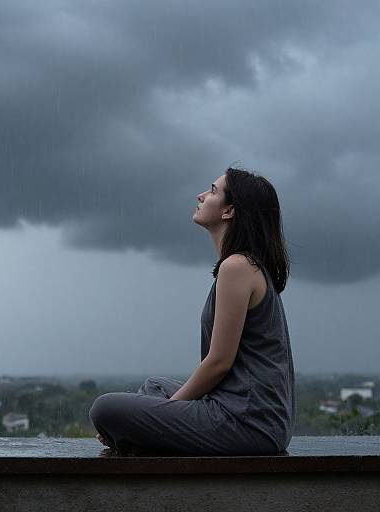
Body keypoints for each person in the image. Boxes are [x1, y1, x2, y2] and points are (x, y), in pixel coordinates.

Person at [89, 165, 296, 456]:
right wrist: (161, 412)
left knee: (105, 408)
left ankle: (137, 438)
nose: (200, 196)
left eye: (212, 191)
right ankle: (140, 437)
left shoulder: (237, 267)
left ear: (229, 211)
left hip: (248, 424)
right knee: (155, 386)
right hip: (247, 415)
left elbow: (219, 363)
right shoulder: (245, 266)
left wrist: (167, 412)